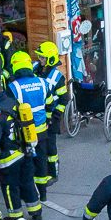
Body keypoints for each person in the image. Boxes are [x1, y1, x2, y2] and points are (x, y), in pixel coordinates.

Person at [0, 77, 39, 220]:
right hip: (24, 151)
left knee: (9, 187)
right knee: (27, 182)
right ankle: (36, 214)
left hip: (9, 159)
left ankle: (15, 217)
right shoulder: (14, 103)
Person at [7, 50, 50, 210]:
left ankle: (31, 194)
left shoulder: (13, 86)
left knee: (28, 165)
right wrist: (48, 120)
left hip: (25, 133)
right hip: (42, 131)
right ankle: (43, 193)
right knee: (41, 162)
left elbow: (10, 109)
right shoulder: (42, 82)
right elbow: (51, 103)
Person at [33, 41, 68, 193]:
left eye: (43, 58)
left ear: (51, 59)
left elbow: (64, 99)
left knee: (51, 146)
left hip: (52, 116)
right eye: (40, 57)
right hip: (39, 115)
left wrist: (56, 115)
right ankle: (42, 169)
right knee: (41, 145)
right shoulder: (35, 68)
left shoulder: (57, 77)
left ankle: (53, 173)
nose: (40, 59)